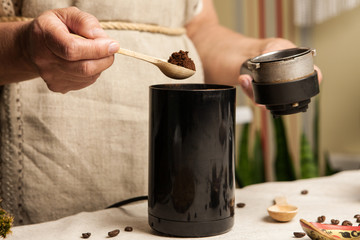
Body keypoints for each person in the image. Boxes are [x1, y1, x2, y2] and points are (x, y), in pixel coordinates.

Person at [0, 0, 322, 225]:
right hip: (42, 160)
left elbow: (199, 29)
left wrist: (259, 56)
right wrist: (25, 49)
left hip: (175, 167)